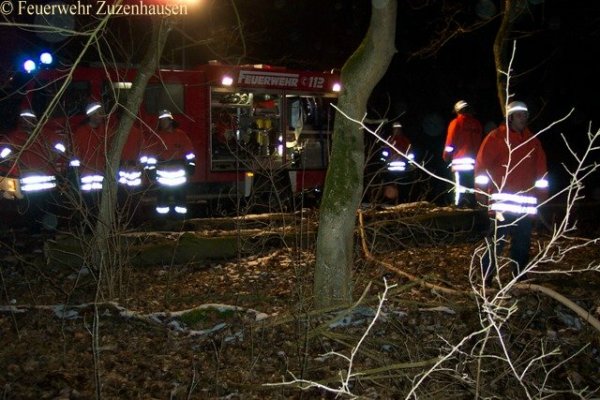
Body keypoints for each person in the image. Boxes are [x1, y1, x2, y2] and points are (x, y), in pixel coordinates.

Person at [474, 101, 548, 286]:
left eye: (526, 115)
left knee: (523, 242)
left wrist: (542, 196)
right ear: (510, 117)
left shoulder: (533, 141)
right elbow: (482, 167)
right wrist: (480, 192)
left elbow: (541, 172)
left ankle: (519, 275)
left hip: (525, 205)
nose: (524, 118)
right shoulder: (496, 138)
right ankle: (485, 277)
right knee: (496, 241)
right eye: (519, 115)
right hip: (501, 204)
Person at [0, 109, 66, 230]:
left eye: (29, 119)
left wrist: (55, 155)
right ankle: (36, 231)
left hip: (46, 183)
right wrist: (11, 157)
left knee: (47, 209)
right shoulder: (15, 137)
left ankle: (46, 232)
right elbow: (3, 152)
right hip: (31, 183)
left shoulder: (46, 134)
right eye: (25, 120)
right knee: (32, 210)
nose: (27, 122)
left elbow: (62, 146)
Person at [144, 109, 195, 218]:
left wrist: (191, 166)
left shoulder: (181, 135)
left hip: (179, 178)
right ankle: (162, 223)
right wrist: (151, 170)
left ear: (170, 121)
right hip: (163, 178)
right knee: (162, 204)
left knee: (180, 204)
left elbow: (189, 153)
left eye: (164, 120)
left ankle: (180, 223)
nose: (162, 123)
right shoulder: (157, 136)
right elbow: (151, 155)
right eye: (161, 121)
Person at [443, 100, 483, 207]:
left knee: (458, 185)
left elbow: (450, 143)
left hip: (459, 161)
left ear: (458, 110)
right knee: (470, 184)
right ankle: (471, 203)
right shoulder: (477, 124)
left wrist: (446, 156)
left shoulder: (456, 123)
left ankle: (457, 205)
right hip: (474, 161)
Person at [378, 122, 415, 204]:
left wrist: (410, 164)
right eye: (395, 129)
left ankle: (401, 203)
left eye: (398, 128)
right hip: (391, 170)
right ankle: (390, 204)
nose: (396, 130)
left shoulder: (405, 141)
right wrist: (384, 162)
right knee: (390, 189)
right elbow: (384, 154)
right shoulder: (390, 140)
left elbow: (410, 154)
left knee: (402, 188)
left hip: (402, 170)